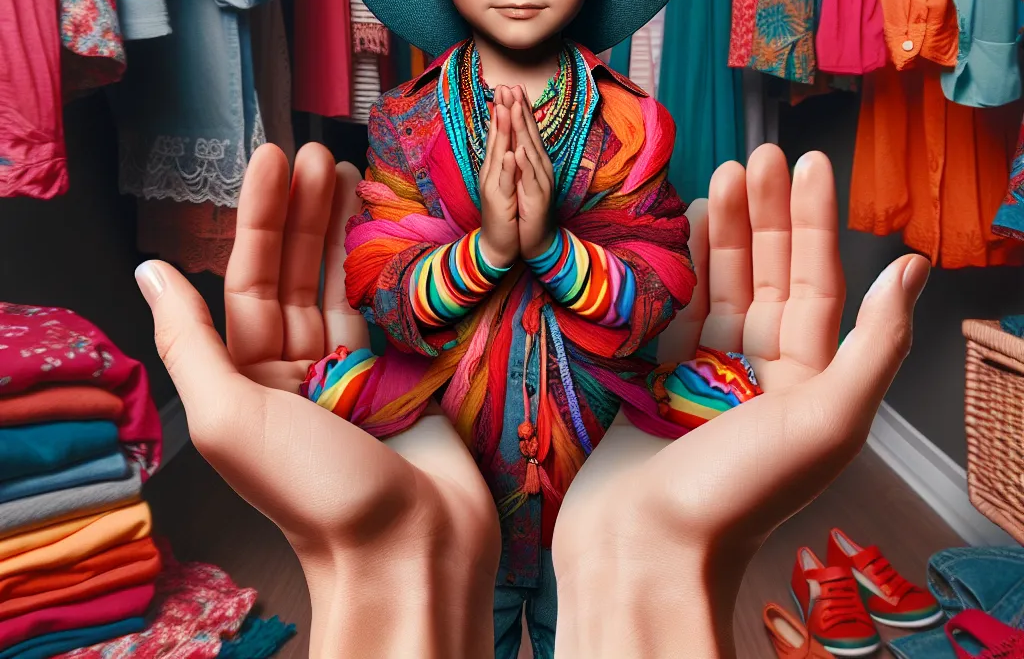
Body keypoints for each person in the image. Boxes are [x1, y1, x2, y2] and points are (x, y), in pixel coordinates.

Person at [292, 0, 762, 659]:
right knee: (457, 628)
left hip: (593, 465)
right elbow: (377, 284)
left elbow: (658, 290)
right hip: (452, 466)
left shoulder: (631, 123)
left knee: (581, 628)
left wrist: (550, 246)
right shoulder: (405, 122)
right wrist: (485, 251)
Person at [135, 140, 928, 659]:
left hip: (568, 455)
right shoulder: (419, 152)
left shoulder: (620, 152)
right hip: (486, 454)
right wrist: (648, 560)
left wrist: (393, 564)